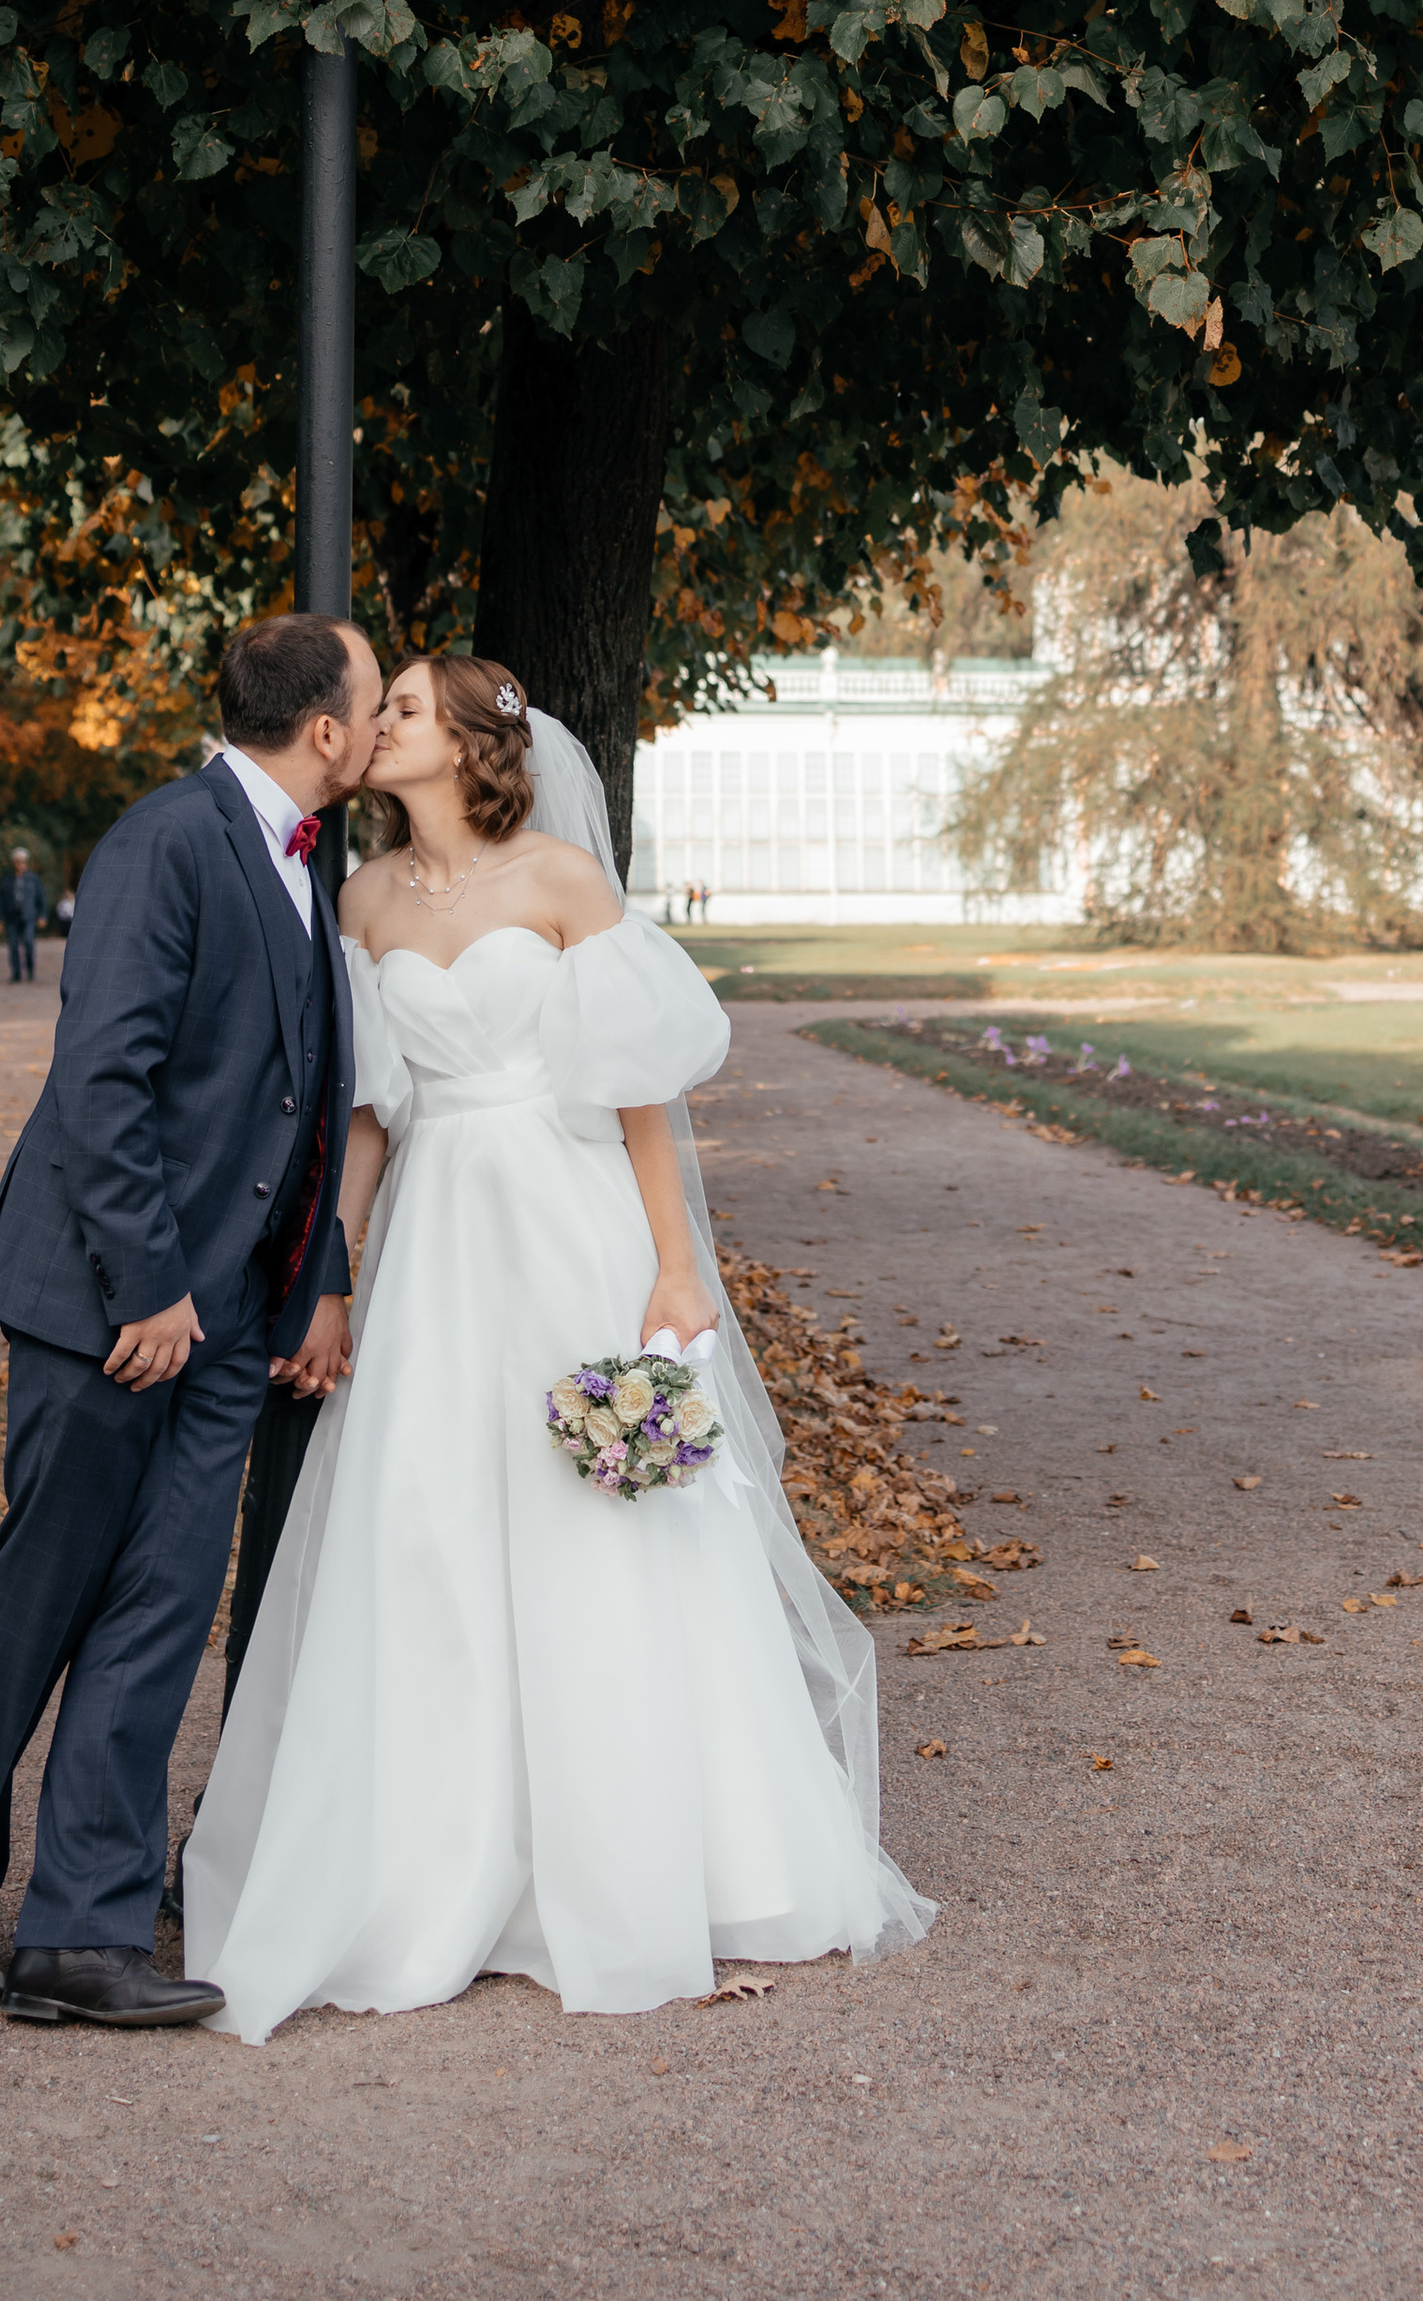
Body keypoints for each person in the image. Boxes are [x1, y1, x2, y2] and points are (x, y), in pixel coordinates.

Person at [181, 655, 931, 2037]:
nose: (381, 726)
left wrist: (676, 1270)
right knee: (431, 1522)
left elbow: (638, 1097)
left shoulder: (564, 882)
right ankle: (437, 1861)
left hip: (570, 1225)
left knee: (596, 1520)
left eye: (407, 709)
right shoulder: (363, 899)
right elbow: (370, 1115)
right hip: (439, 1244)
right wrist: (333, 1276)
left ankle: (647, 1856)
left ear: (474, 740)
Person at [0, 613, 380, 2030]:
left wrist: (309, 1277)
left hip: (230, 1318)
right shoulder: (166, 839)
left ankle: (84, 1934)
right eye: (371, 701)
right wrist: (150, 1286)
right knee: (39, 1598)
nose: (375, 724)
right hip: (109, 1306)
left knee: (162, 1609)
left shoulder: (306, 862)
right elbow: (102, 1076)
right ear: (327, 729)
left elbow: (298, 1102)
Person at [0, 847, 46, 985]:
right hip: (12, 917)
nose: (20, 865)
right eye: (18, 862)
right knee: (13, 945)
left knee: (29, 942)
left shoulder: (33, 879)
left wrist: (42, 916)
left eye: (23, 862)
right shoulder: (7, 880)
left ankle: (30, 970)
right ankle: (16, 973)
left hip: (28, 916)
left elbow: (41, 898)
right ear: (14, 863)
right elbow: (1, 900)